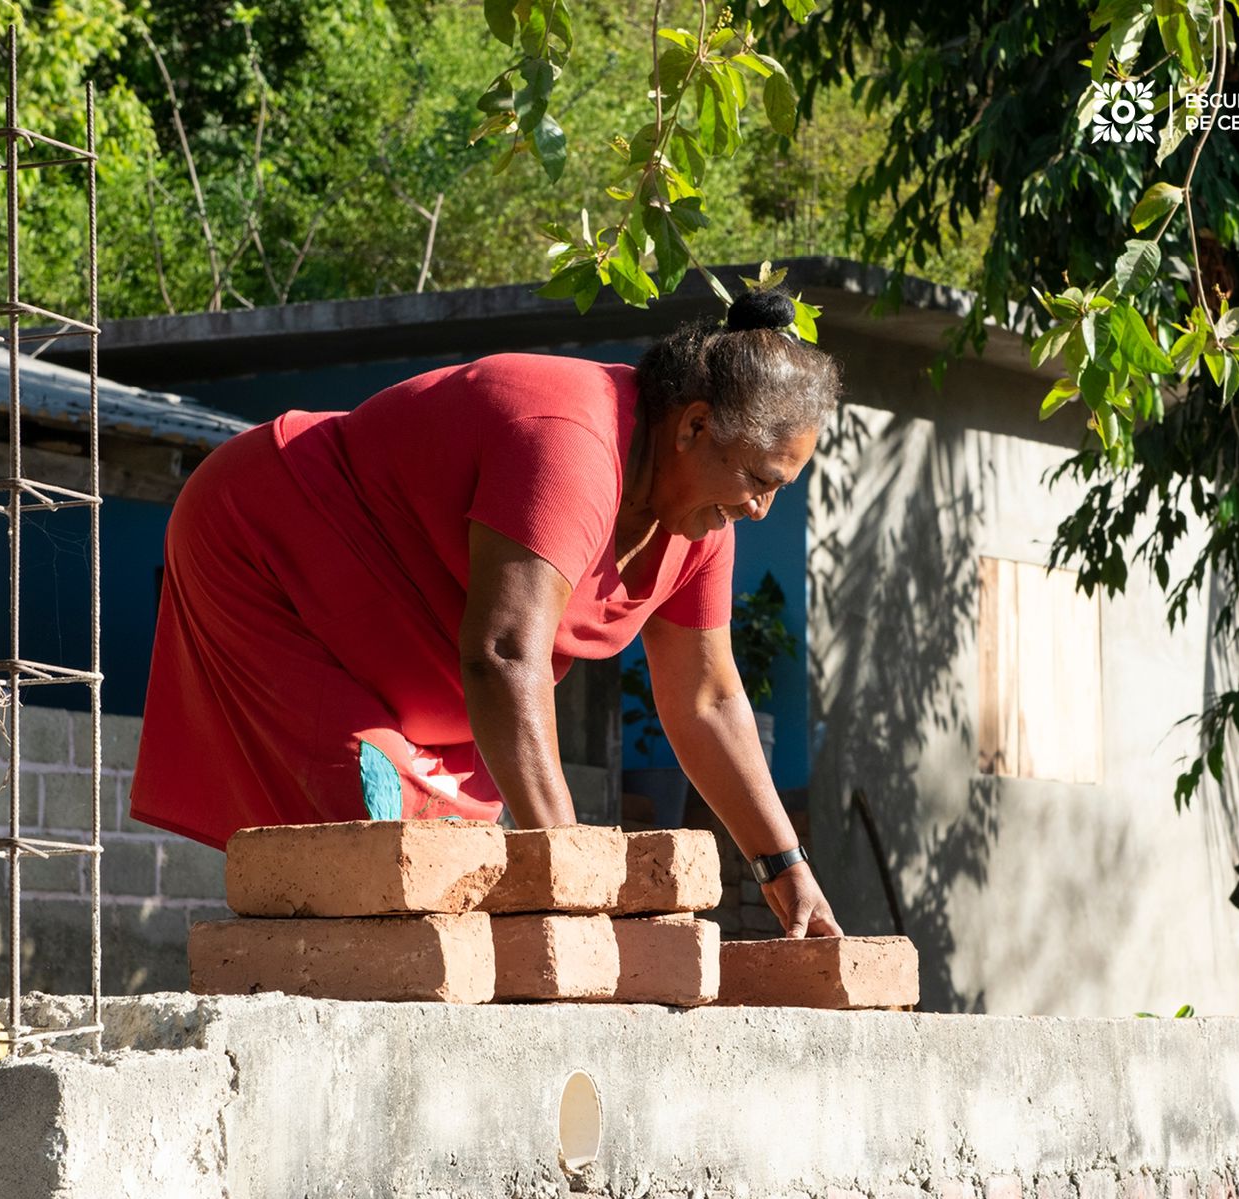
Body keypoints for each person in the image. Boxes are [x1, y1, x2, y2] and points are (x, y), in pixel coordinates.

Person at [128, 287, 843, 937]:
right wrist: (572, 869)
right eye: (758, 479)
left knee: (460, 878)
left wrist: (784, 867)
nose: (759, 509)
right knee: (382, 856)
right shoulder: (571, 441)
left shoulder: (698, 521)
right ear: (692, 426)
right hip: (271, 554)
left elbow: (708, 699)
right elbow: (503, 653)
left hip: (408, 657)